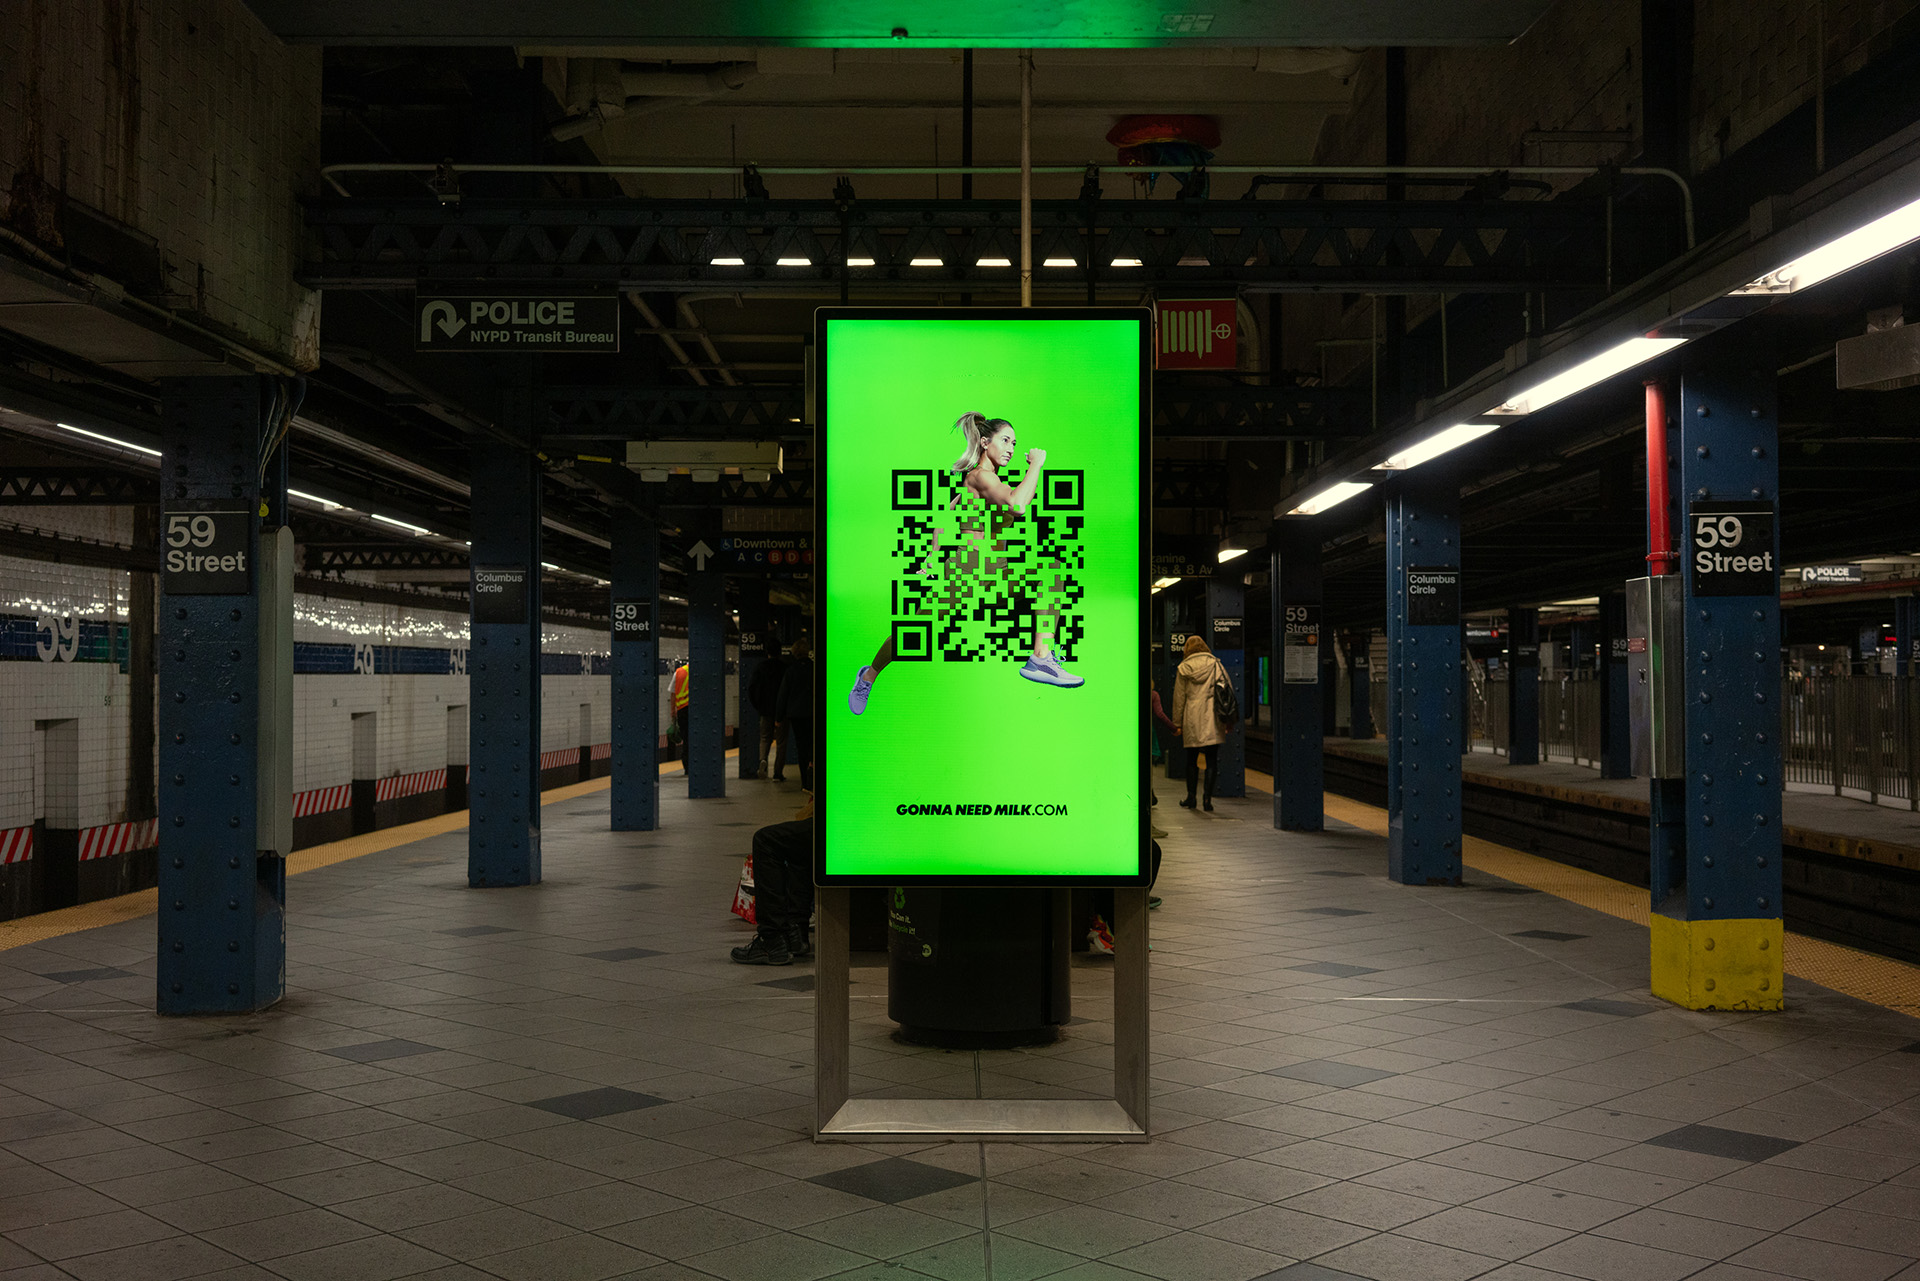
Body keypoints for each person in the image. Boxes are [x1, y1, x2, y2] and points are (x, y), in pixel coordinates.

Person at [849, 411, 1080, 717]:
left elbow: (945, 520)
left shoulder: (986, 482)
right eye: (1005, 440)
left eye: (1014, 443)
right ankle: (868, 676)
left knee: (1050, 572)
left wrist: (932, 554)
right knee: (912, 636)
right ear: (985, 443)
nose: (1011, 448)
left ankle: (1041, 656)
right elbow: (1018, 505)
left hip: (996, 573)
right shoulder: (980, 477)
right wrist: (1036, 464)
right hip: (965, 574)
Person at [731, 794, 815, 965]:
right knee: (796, 847)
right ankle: (795, 932)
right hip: (858, 824)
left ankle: (771, 938)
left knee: (765, 840)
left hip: (848, 827)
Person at [1172, 633, 1231, 811]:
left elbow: (1179, 697)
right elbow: (1227, 690)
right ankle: (1207, 800)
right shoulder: (1216, 664)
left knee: (1191, 759)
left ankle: (1191, 798)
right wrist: (1228, 719)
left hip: (1192, 716)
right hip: (1212, 717)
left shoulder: (1184, 668)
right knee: (1211, 759)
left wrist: (1177, 723)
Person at [775, 635, 815, 790]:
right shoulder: (815, 668)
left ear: (794, 652)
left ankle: (805, 781)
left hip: (796, 715)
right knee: (814, 745)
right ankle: (815, 778)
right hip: (813, 714)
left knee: (801, 747)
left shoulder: (791, 671)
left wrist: (779, 717)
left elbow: (783, 695)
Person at [747, 639, 788, 780]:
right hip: (782, 711)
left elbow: (751, 688)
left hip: (765, 710)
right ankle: (778, 773)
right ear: (779, 652)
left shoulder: (760, 667)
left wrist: (758, 706)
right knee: (781, 742)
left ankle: (763, 759)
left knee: (765, 738)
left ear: (767, 652)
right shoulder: (784, 668)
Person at [670, 660, 690, 760]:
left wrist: (672, 710)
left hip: (682, 710)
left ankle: (687, 764)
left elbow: (673, 693)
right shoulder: (702, 671)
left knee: (686, 739)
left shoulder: (678, 672)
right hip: (697, 711)